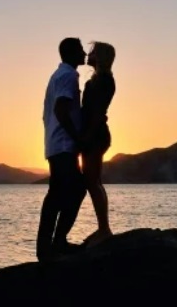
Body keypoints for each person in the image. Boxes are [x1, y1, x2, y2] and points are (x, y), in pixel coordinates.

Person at [36, 37, 87, 261]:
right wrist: (77, 137)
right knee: (76, 190)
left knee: (56, 194)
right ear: (71, 53)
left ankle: (48, 246)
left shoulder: (57, 75)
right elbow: (60, 109)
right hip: (64, 145)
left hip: (55, 144)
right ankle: (57, 242)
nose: (84, 53)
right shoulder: (68, 75)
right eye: (81, 50)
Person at [80, 41, 116, 246]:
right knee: (93, 181)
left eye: (93, 51)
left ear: (101, 56)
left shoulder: (104, 80)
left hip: (96, 135)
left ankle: (104, 229)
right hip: (93, 134)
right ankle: (103, 228)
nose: (89, 53)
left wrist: (87, 136)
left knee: (93, 182)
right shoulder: (96, 80)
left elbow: (97, 112)